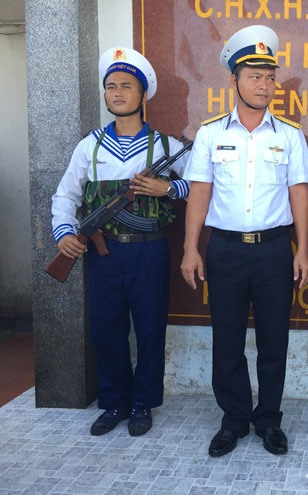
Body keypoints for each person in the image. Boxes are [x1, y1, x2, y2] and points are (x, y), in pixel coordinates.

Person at [180, 25, 308, 458]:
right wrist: (190, 249)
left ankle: (268, 420)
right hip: (226, 250)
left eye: (270, 76)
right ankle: (234, 419)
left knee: (274, 342)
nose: (264, 84)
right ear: (233, 79)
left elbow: (299, 193)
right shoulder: (211, 133)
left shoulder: (289, 135)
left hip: (276, 250)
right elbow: (199, 192)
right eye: (254, 75)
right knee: (228, 340)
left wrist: (303, 248)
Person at [51, 47, 190, 437]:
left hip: (149, 249)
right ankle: (113, 402)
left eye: (126, 86)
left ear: (144, 95)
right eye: (111, 86)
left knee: (149, 329)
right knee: (106, 329)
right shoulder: (90, 146)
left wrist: (167, 187)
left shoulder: (164, 146)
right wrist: (64, 233)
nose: (116, 93)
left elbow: (197, 187)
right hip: (103, 252)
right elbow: (65, 196)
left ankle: (142, 402)